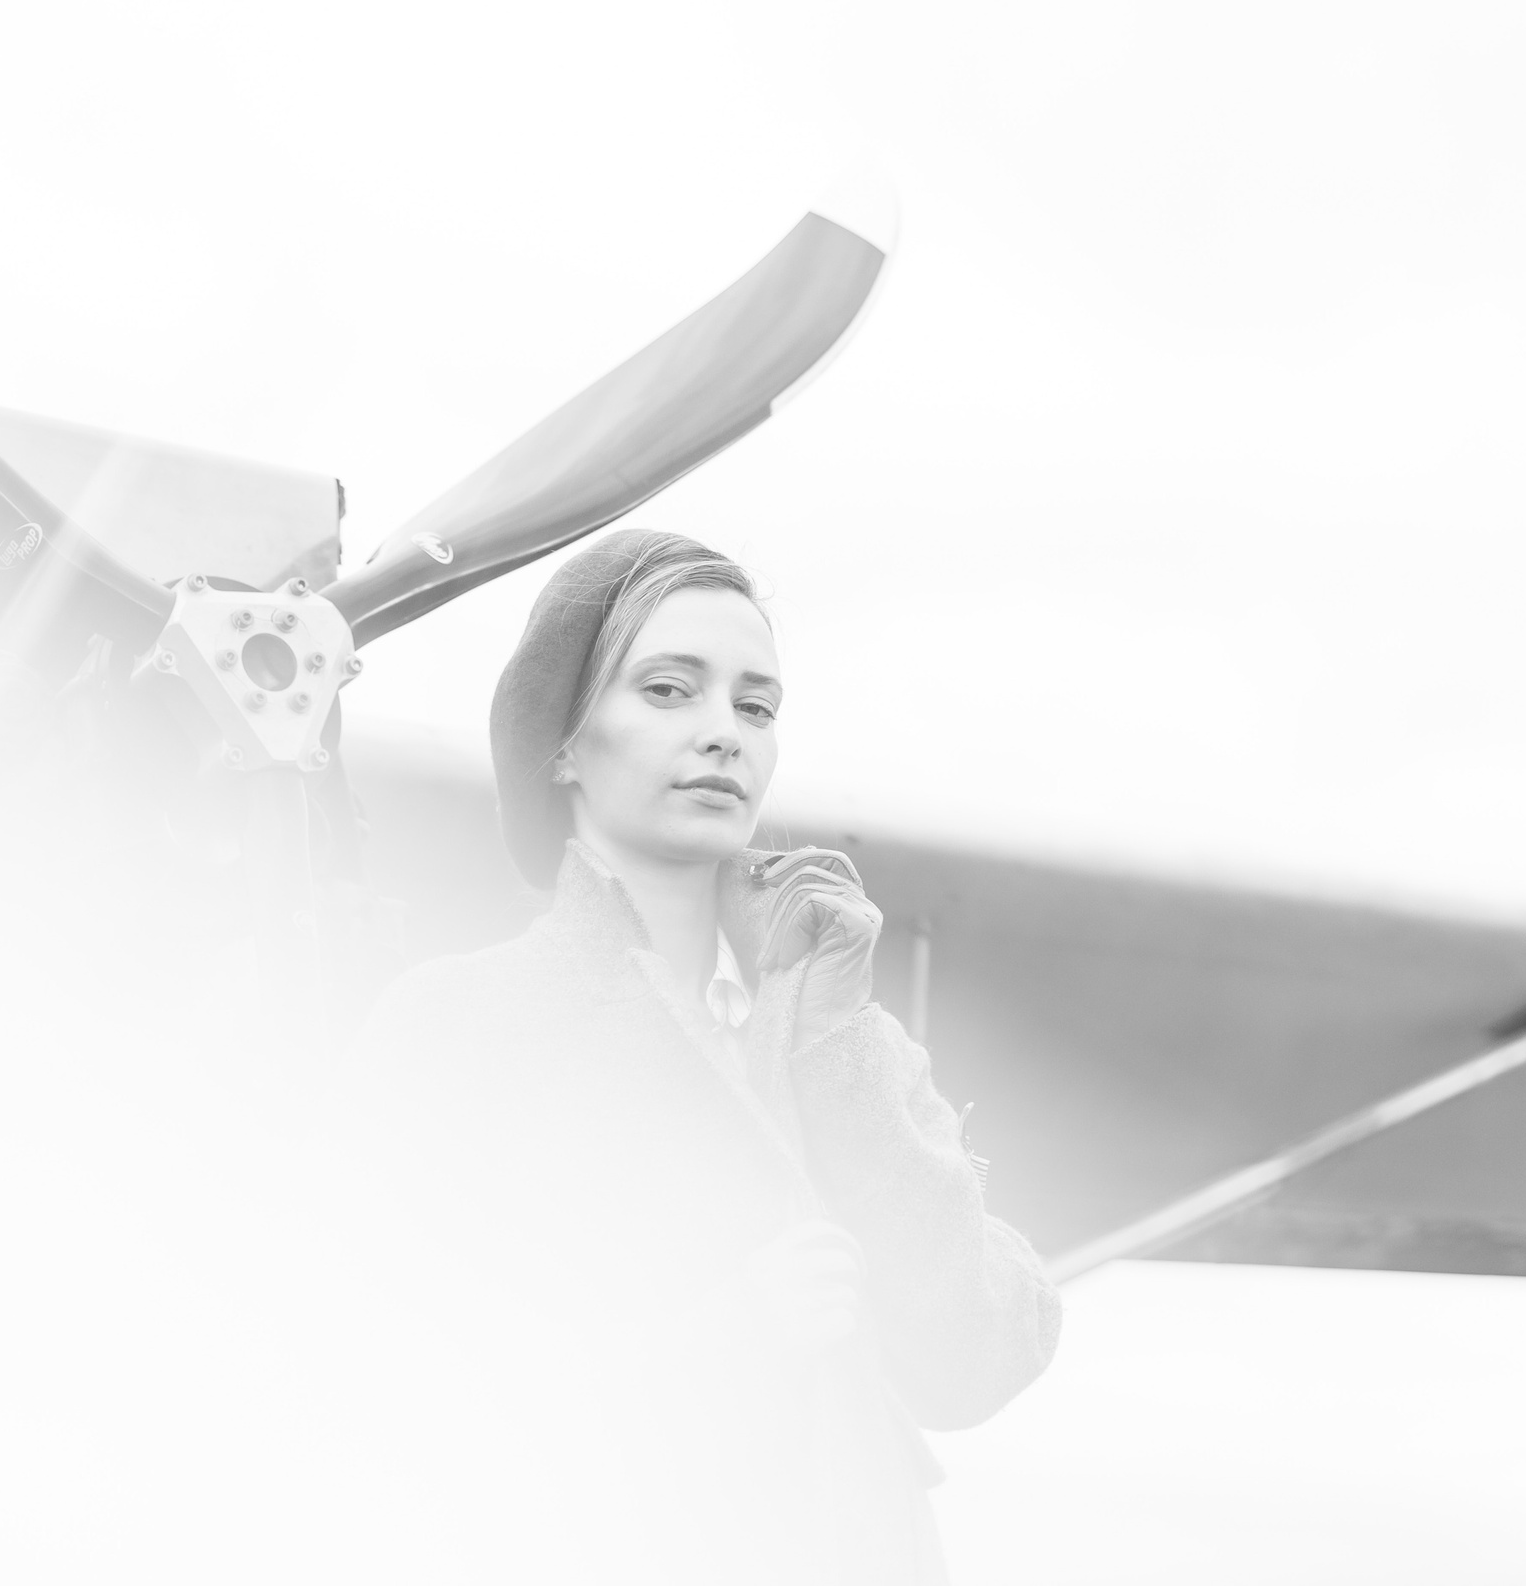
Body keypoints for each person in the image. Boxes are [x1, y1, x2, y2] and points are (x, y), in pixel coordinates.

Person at [335, 530, 1059, 1585]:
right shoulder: (452, 1026)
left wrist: (831, 1041)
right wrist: (723, 1340)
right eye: (669, 689)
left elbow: (979, 1359)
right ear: (563, 741)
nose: (724, 732)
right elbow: (381, 1399)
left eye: (755, 706)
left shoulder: (847, 1034)